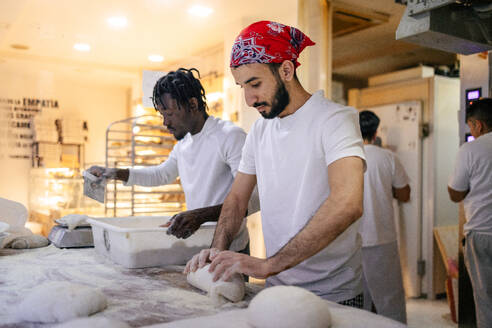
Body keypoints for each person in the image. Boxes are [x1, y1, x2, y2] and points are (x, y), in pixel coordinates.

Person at [185, 20, 366, 307]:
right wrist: (217, 251)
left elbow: (348, 202)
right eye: (242, 86)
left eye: (255, 84)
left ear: (286, 69)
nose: (249, 99)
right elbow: (237, 198)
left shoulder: (334, 120)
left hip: (332, 293)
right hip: (277, 288)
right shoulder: (260, 131)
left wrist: (267, 265)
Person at [88, 68, 256, 252]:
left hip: (231, 248)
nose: (165, 123)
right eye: (162, 115)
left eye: (169, 114)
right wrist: (112, 173)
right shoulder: (184, 144)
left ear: (192, 104)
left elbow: (254, 199)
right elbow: (160, 174)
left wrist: (200, 216)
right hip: (196, 245)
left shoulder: (229, 137)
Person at [358, 110, 410, 323]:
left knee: (358, 298)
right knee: (390, 299)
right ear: (376, 131)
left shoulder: (346, 157)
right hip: (382, 237)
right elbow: (404, 194)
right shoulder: (388, 157)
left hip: (352, 239)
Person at [448, 98, 492, 328]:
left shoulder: (470, 149)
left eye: (471, 127)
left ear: (478, 125)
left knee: (485, 299)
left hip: (482, 234)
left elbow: (455, 193)